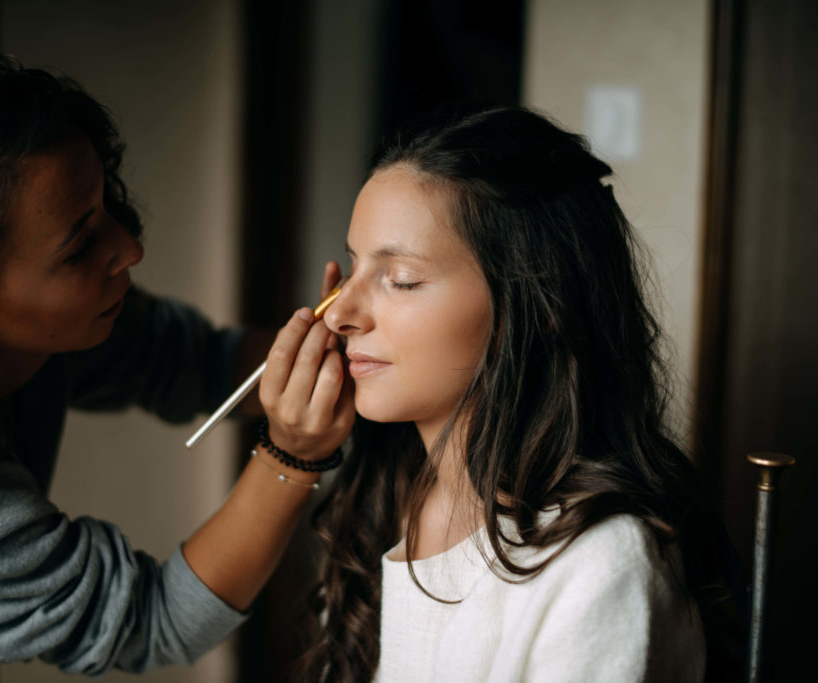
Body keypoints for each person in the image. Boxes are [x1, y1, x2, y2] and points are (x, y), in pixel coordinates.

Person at [0, 57, 353, 681]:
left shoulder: (54, 323)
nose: (129, 250)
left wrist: (340, 342)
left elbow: (203, 363)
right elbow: (150, 623)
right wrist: (293, 456)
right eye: (79, 249)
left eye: (105, 208)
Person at [302, 107, 738, 682]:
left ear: (533, 305)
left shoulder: (600, 566)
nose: (341, 316)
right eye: (354, 268)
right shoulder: (387, 496)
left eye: (401, 279)